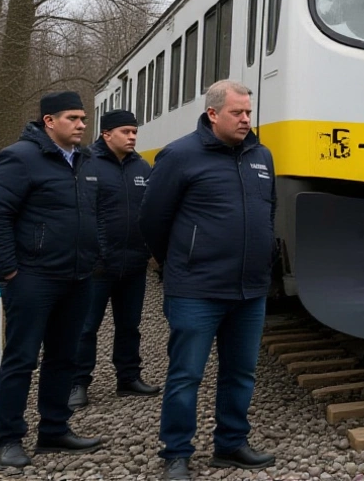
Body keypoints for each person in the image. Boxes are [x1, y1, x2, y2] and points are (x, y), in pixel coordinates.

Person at [140, 80, 277, 480]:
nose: (246, 120)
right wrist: (179, 263)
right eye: (238, 113)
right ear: (213, 113)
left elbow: (268, 214)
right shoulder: (180, 155)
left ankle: (231, 444)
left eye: (249, 112)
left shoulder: (261, 156)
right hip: (196, 289)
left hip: (250, 290)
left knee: (241, 372)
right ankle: (177, 454)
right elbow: (153, 220)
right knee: (186, 375)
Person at [0, 91, 105, 467]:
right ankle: (8, 437)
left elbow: (91, 214)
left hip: (78, 277)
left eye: (84, 118)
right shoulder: (19, 158)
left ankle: (54, 430)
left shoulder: (84, 161)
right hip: (32, 278)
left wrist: (92, 255)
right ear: (49, 121)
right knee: (21, 358)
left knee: (64, 357)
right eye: (73, 118)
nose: (82, 125)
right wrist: (9, 272)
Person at [69, 109, 160, 411]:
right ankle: (77, 383)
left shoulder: (142, 168)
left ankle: (128, 378)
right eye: (126, 132)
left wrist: (149, 252)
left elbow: (150, 213)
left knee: (130, 326)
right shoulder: (85, 163)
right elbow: (77, 213)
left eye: (135, 131)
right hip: (96, 267)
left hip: (133, 264)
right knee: (85, 327)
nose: (133, 137)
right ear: (107, 134)